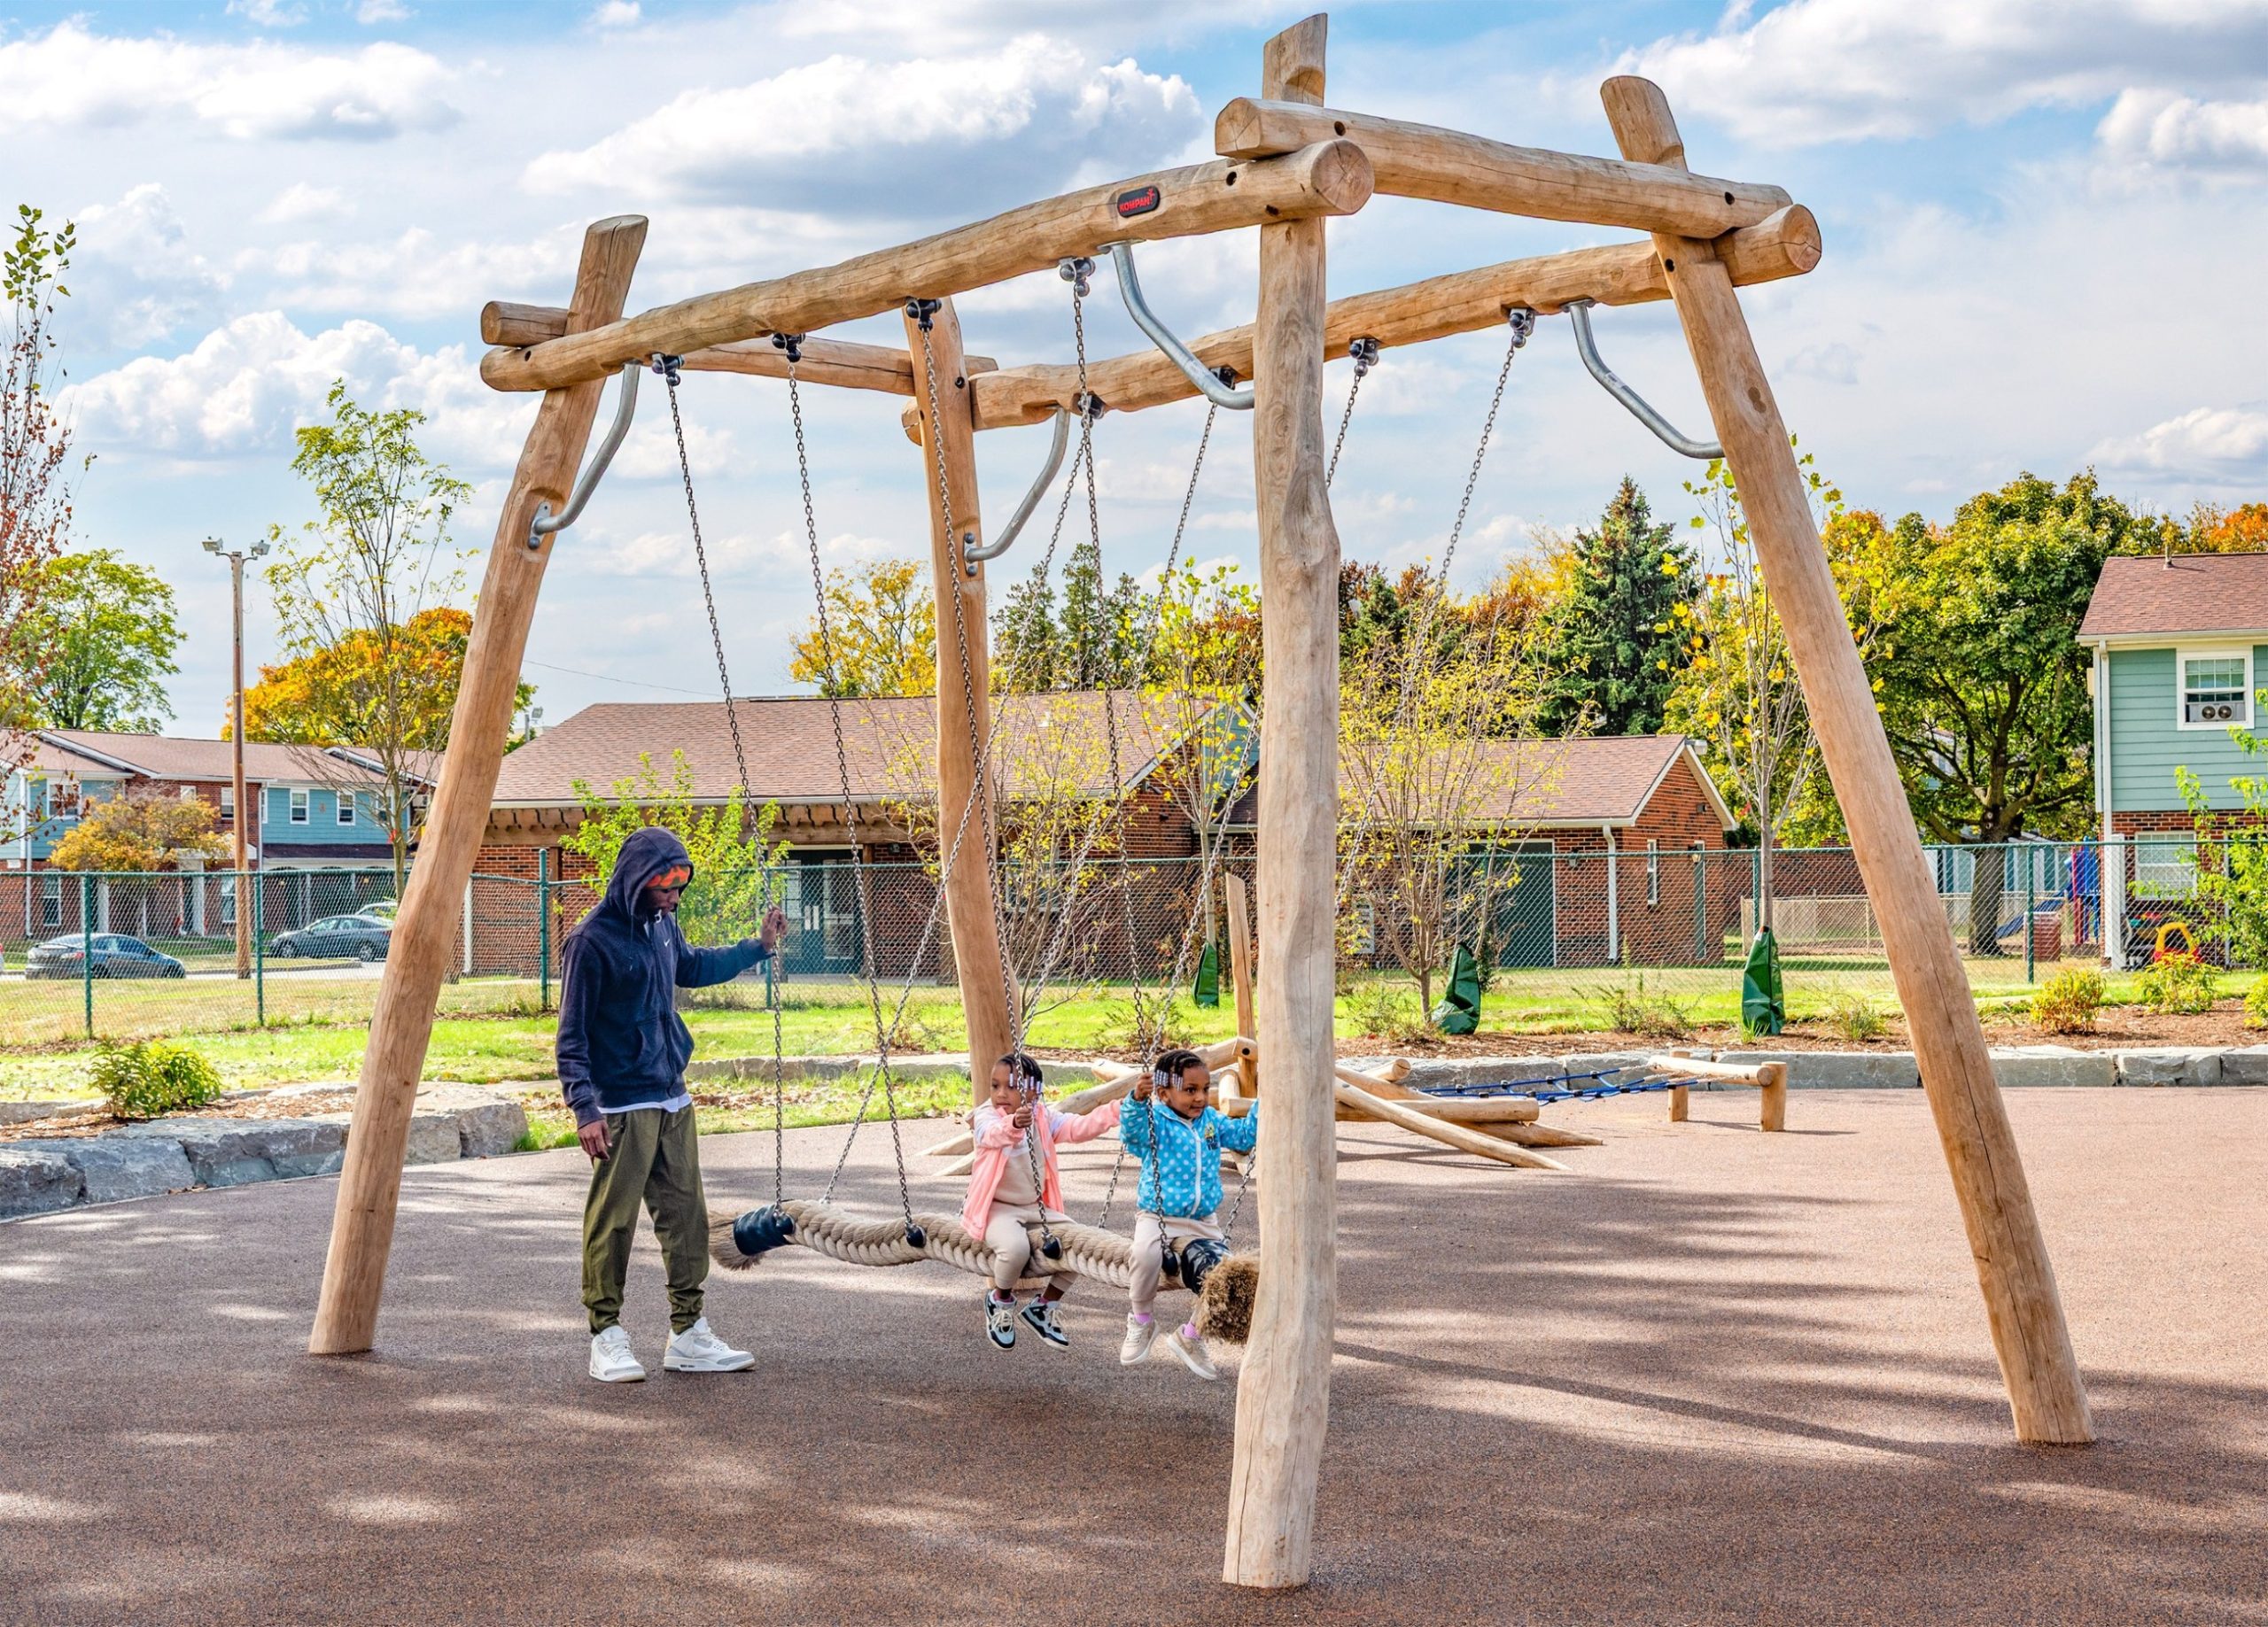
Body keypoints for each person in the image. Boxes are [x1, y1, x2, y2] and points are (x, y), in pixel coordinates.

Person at [558, 826, 785, 1383]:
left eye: (680, 888)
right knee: (613, 1223)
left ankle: (687, 1333)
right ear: (638, 881)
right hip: (619, 1107)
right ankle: (606, 1334)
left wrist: (757, 947)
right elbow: (571, 1036)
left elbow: (692, 966)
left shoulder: (663, 926)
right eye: (664, 888)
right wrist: (585, 1108)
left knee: (687, 1218)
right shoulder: (592, 941)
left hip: (672, 1096)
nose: (673, 898)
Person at [960, 1051, 1122, 1352]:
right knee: (1015, 1248)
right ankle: (1000, 1300)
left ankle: (1044, 1307)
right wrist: (1012, 1125)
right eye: (995, 1086)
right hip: (997, 1208)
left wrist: (1115, 1111)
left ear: (1034, 1091)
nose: (1000, 1094)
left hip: (1034, 1208)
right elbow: (990, 1135)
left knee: (1080, 1244)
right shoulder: (987, 1116)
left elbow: (1077, 1128)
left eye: (1009, 1087)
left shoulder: (1042, 1117)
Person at [1117, 1048, 1258, 1380]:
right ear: (1164, 1093)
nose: (1199, 1098)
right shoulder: (1156, 1122)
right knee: (1144, 1255)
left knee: (1225, 1277)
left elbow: (1243, 1137)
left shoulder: (1210, 1122)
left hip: (1203, 1219)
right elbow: (1132, 1133)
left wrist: (1263, 1104)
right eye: (1190, 1090)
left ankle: (1191, 1335)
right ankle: (1141, 1320)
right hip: (1159, 1216)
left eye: (1204, 1089)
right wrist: (1137, 1101)